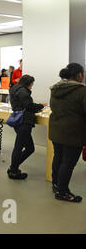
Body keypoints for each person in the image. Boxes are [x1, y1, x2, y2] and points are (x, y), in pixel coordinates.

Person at [49, 63, 85, 202]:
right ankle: (62, 192)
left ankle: (56, 184)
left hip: (56, 130)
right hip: (73, 133)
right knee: (68, 163)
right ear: (79, 75)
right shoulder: (82, 91)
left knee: (58, 157)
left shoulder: (55, 89)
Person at [7, 75, 45, 180]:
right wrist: (40, 106)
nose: (32, 86)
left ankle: (13, 167)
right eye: (32, 84)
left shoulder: (15, 88)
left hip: (18, 120)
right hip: (24, 122)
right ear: (28, 83)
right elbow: (29, 105)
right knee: (23, 147)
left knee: (25, 147)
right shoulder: (23, 92)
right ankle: (14, 171)